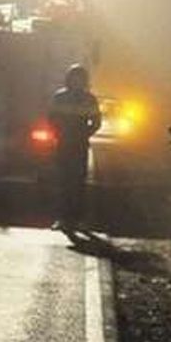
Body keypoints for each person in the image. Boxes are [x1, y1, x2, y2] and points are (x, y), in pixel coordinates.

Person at [48, 64, 101, 233]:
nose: (76, 81)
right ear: (68, 79)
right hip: (63, 144)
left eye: (80, 78)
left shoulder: (90, 99)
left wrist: (84, 134)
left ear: (84, 80)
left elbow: (96, 122)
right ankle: (62, 219)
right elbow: (51, 118)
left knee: (78, 183)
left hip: (79, 145)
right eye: (74, 77)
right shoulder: (59, 97)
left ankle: (78, 219)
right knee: (62, 182)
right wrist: (59, 133)